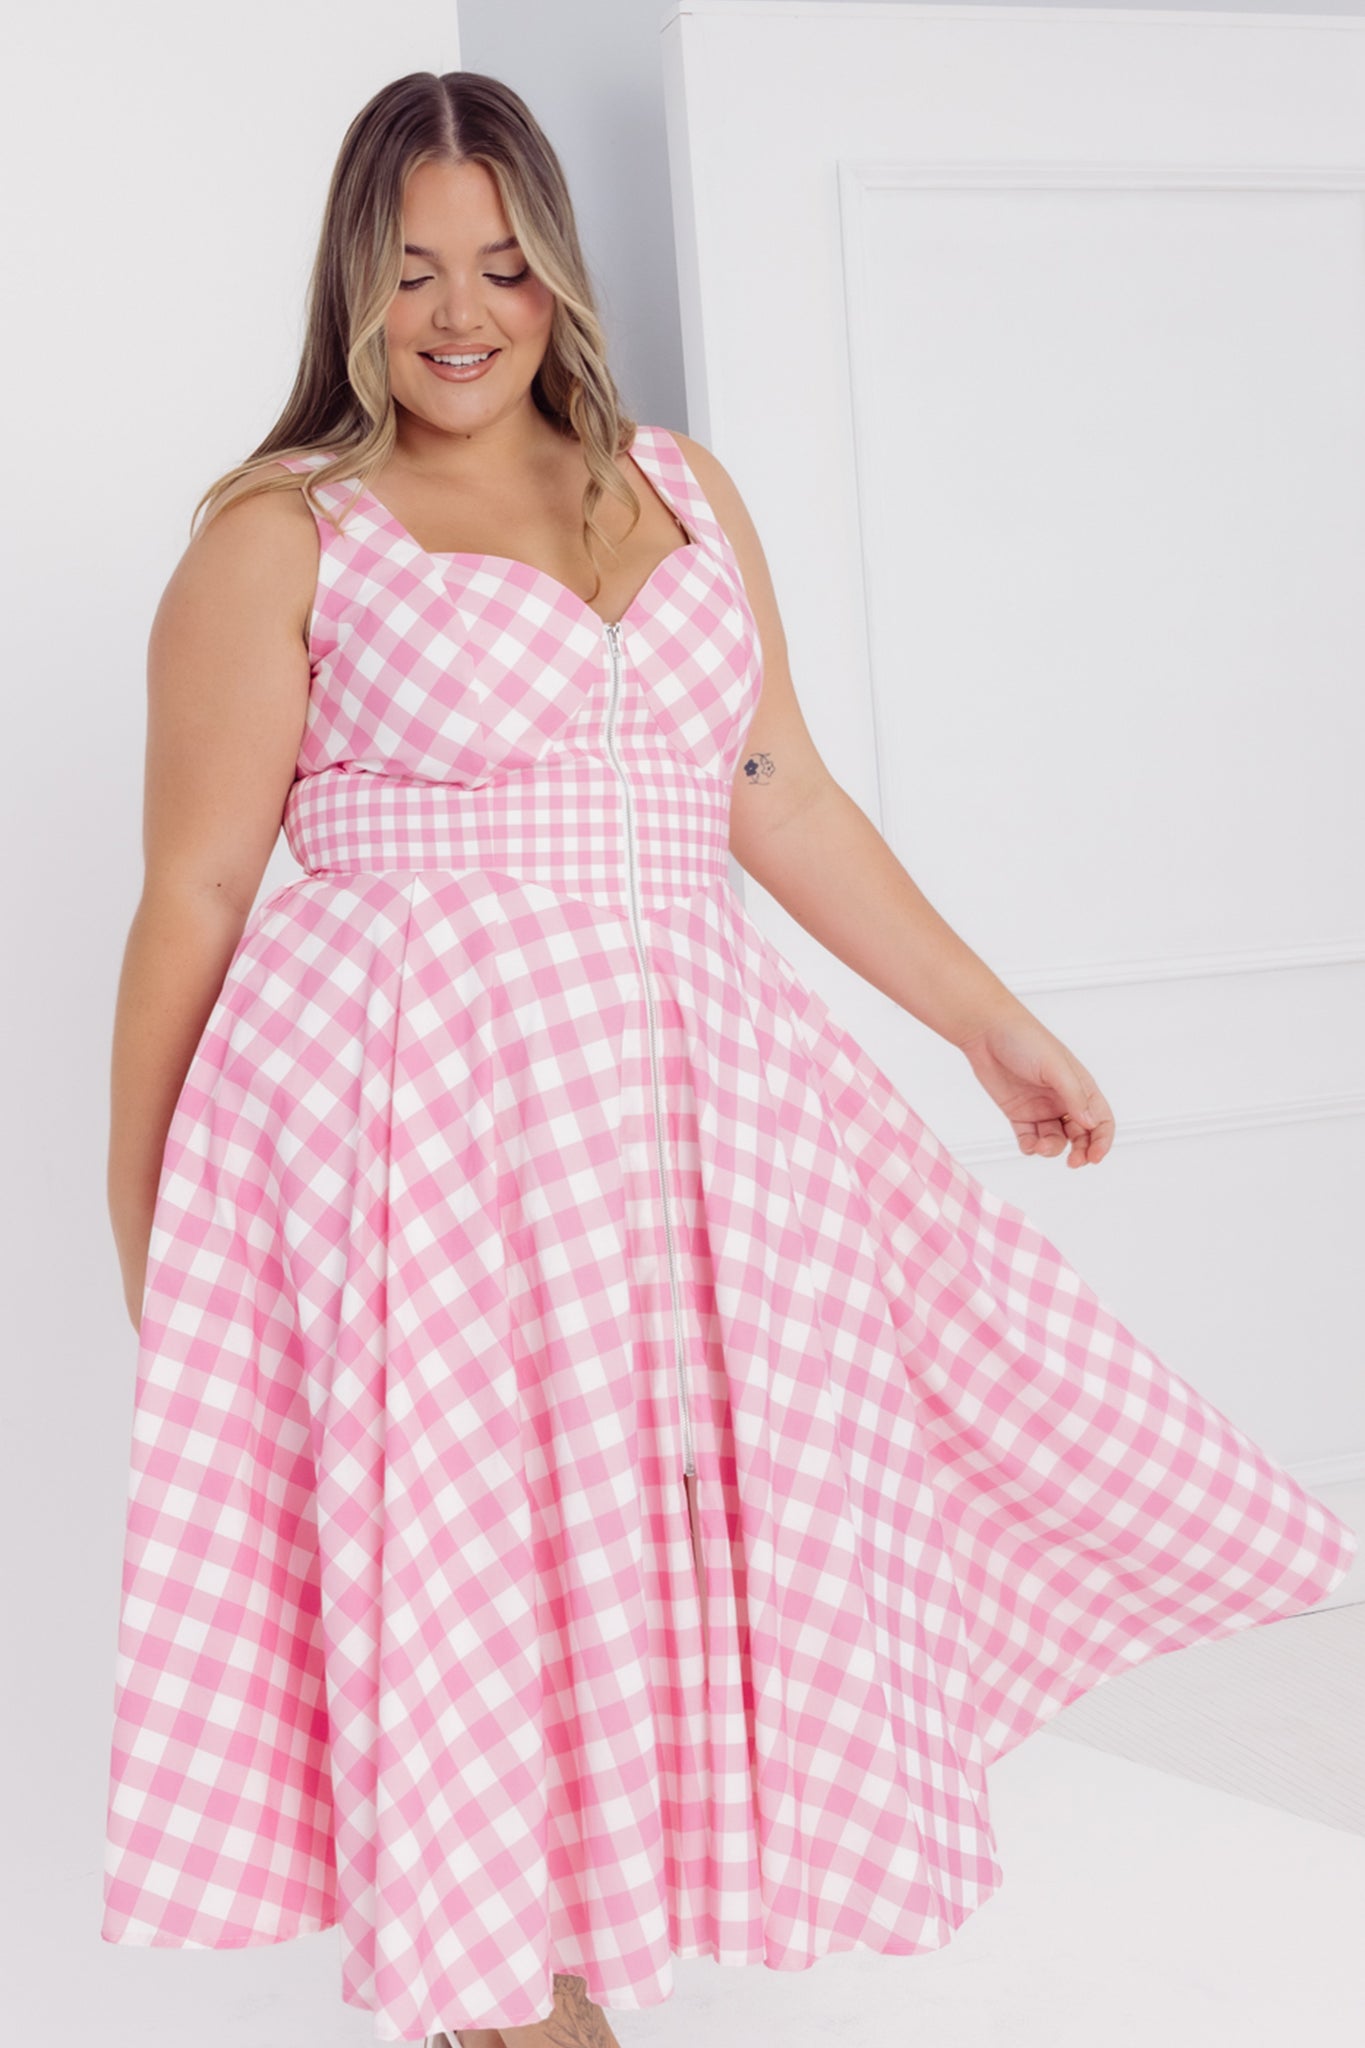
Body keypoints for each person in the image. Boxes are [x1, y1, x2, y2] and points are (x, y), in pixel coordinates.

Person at [100, 68, 1356, 2048]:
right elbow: (189, 901)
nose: (459, 312)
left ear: (556, 276)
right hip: (423, 1141)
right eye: (414, 267)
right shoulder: (286, 536)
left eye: (503, 264)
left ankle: (556, 1970)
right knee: (473, 1579)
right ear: (351, 282)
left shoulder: (672, 483)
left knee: (664, 1568)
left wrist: (988, 1023)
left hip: (703, 1134)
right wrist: (161, 1251)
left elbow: (776, 792)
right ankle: (511, 2004)